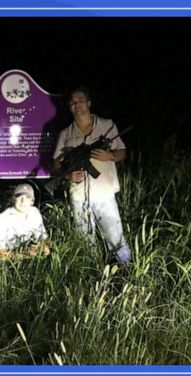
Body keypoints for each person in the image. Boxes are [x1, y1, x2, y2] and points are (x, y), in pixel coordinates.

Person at [53, 85, 131, 265]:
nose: (76, 104)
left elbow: (122, 151)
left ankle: (128, 270)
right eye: (72, 102)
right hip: (79, 195)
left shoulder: (107, 125)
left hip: (104, 193)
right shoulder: (66, 134)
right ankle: (93, 273)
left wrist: (110, 156)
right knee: (85, 240)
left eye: (80, 100)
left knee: (116, 237)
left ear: (89, 103)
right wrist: (67, 176)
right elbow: (55, 164)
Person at [0, 183, 50, 263]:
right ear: (13, 199)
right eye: (19, 197)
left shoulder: (35, 213)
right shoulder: (3, 218)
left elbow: (44, 238)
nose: (23, 201)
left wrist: (44, 247)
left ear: (32, 201)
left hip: (15, 253)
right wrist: (28, 255)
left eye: (28, 197)